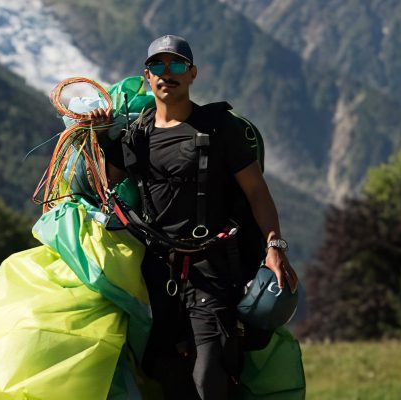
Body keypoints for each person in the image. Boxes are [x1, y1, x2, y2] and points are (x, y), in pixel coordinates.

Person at [90, 34, 298, 400]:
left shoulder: (220, 129)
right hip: (156, 273)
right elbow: (104, 186)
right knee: (167, 374)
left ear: (192, 74)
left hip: (213, 271)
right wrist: (101, 135)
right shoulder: (135, 136)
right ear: (147, 75)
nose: (166, 73)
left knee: (210, 376)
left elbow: (257, 192)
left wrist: (274, 247)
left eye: (176, 65)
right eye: (158, 65)